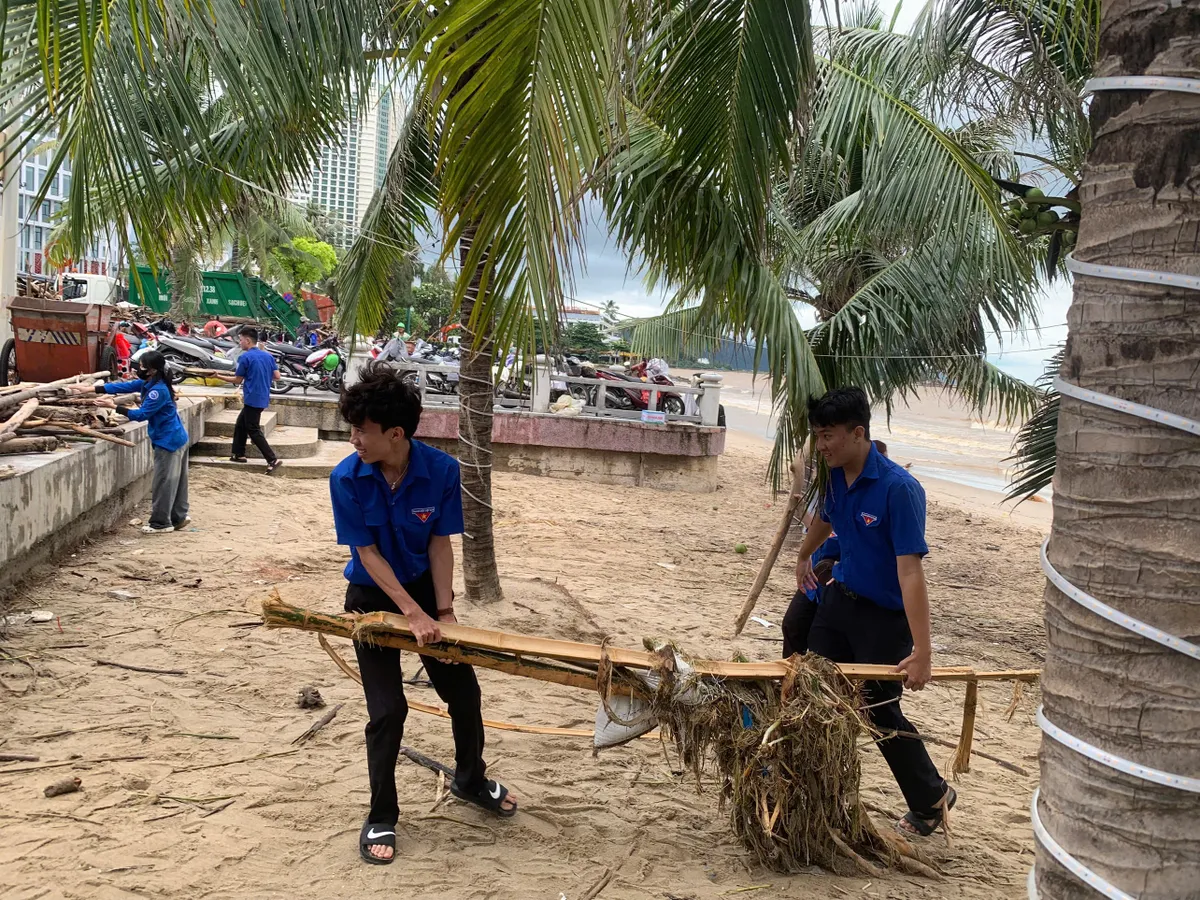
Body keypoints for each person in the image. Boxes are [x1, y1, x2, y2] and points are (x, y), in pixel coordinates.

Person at [330, 362, 518, 865]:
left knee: (464, 691)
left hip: (425, 595)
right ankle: (381, 816)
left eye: (362, 431)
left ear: (396, 433)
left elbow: (440, 541)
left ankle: (470, 780)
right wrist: (413, 614)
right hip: (371, 600)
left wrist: (444, 610)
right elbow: (366, 554)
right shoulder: (346, 478)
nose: (354, 440)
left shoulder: (441, 471)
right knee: (389, 709)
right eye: (351, 429)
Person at [793, 388, 953, 837]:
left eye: (828, 436)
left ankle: (931, 798)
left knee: (879, 713)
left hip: (885, 622)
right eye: (817, 436)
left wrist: (923, 652)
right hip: (839, 604)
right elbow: (826, 518)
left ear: (858, 432)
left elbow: (911, 575)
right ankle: (814, 796)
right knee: (817, 695)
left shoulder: (899, 489)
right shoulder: (836, 476)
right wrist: (804, 553)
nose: (821, 446)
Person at [782, 439, 889, 657]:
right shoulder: (840, 486)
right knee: (792, 625)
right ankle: (791, 677)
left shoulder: (880, 496)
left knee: (820, 643)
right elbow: (822, 526)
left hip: (837, 581)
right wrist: (800, 511)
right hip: (815, 575)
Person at [71, 351, 190, 535]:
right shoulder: (150, 383)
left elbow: (141, 415)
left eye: (142, 366)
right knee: (177, 481)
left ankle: (161, 523)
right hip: (176, 437)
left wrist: (114, 407)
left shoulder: (158, 391)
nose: (138, 370)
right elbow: (125, 386)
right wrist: (89, 390)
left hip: (168, 441)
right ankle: (178, 517)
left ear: (151, 370)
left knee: (164, 483)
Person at [216, 327, 282, 473]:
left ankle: (272, 459)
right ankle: (238, 454)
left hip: (252, 397)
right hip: (262, 396)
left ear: (247, 340)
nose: (240, 343)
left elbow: (237, 379)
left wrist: (218, 376)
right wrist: (261, 375)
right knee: (241, 424)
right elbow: (277, 376)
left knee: (253, 429)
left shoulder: (245, 357)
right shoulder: (267, 356)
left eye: (240, 340)